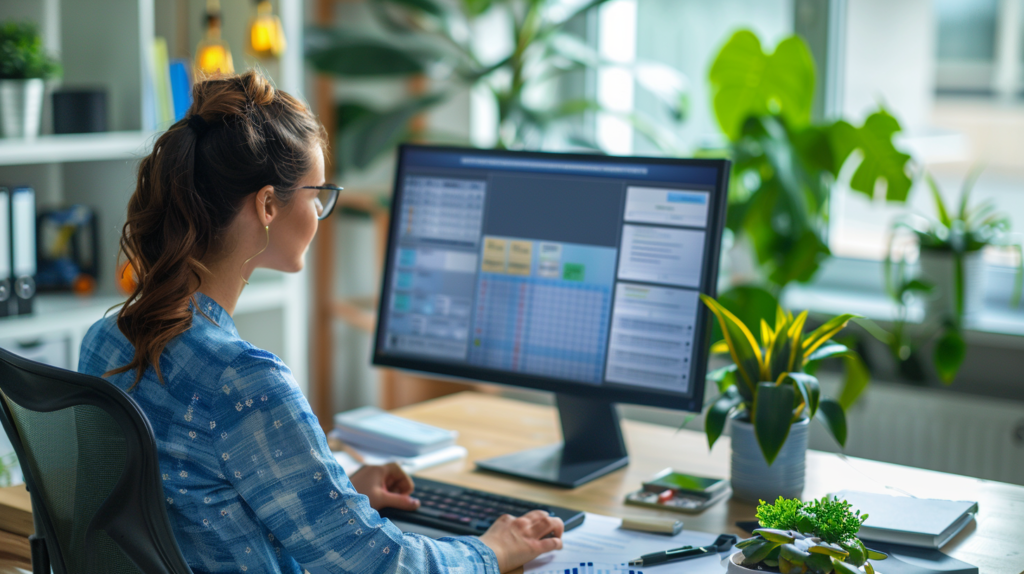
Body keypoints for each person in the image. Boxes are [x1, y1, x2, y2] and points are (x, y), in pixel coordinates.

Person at [77, 70, 563, 574]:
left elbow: (193, 500)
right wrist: (495, 549)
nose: (319, 211)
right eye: (317, 195)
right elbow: (382, 566)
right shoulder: (242, 379)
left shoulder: (107, 339)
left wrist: (332, 493)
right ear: (267, 205)